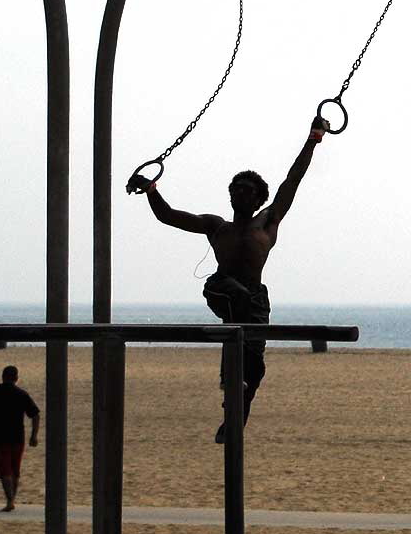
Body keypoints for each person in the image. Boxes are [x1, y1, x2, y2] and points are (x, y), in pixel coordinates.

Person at [129, 117, 330, 442]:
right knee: (235, 308)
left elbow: (293, 180)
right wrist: (151, 189)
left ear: (258, 199)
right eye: (235, 188)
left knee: (254, 369)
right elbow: (169, 216)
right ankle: (231, 378)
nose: (239, 192)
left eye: (246, 190)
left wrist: (313, 138)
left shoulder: (267, 222)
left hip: (255, 300)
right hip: (222, 288)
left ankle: (234, 415)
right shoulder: (217, 226)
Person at [0, 365, 40, 512]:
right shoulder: (22, 394)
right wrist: (34, 435)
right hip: (18, 436)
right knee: (15, 468)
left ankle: (10, 500)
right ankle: (12, 498)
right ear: (17, 378)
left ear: (2, 376)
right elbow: (35, 415)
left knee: (4, 469)